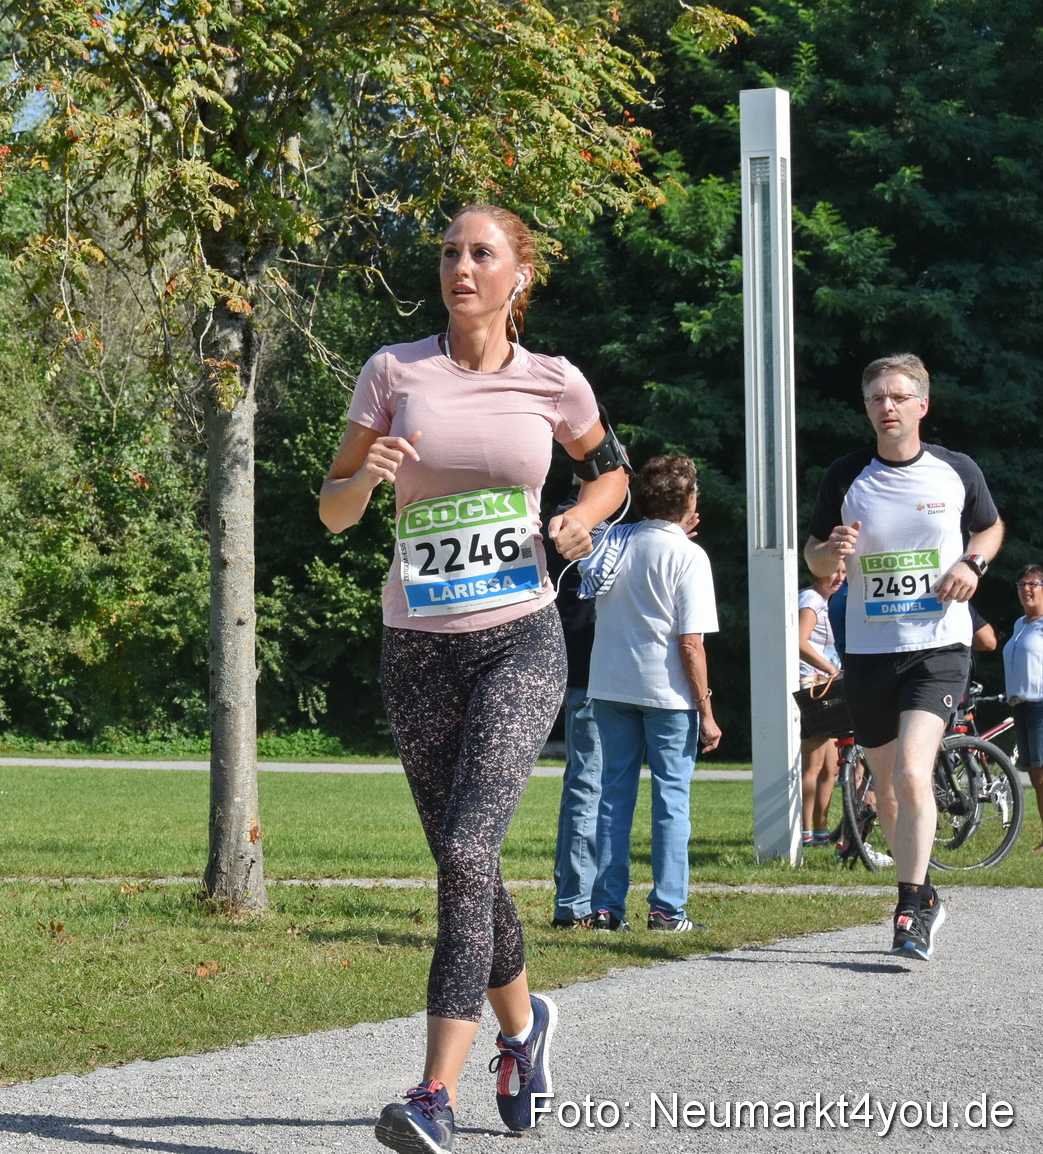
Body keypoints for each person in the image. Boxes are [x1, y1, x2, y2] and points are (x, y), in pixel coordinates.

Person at [319, 204, 629, 1146]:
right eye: (450, 251)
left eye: (481, 253)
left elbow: (611, 471)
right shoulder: (392, 371)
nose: (461, 266)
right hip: (415, 644)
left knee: (464, 854)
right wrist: (366, 474)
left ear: (518, 276)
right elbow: (332, 511)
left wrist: (584, 518)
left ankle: (430, 1094)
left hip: (520, 638)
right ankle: (524, 1032)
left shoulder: (554, 381)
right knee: (468, 861)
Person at [805, 353, 1003, 962]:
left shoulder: (955, 470)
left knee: (914, 772)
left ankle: (910, 905)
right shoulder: (846, 474)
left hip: (938, 646)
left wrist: (973, 564)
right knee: (886, 786)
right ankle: (926, 894)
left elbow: (990, 528)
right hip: (870, 651)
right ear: (866, 407)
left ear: (921, 405)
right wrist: (828, 552)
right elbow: (813, 557)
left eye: (897, 397)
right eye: (875, 399)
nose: (886, 408)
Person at [579, 455, 720, 933]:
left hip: (610, 685)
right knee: (671, 801)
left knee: (613, 797)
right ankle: (666, 909)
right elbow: (691, 643)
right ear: (690, 502)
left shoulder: (613, 542)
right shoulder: (689, 557)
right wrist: (708, 708)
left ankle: (605, 908)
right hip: (668, 694)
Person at [544, 486, 604, 930]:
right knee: (587, 783)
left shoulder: (606, 518)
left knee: (589, 783)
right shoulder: (569, 516)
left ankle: (579, 895)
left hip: (602, 667)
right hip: (588, 668)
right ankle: (575, 903)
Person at [797, 565, 845, 848]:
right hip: (812, 686)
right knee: (813, 765)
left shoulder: (829, 601)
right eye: (834, 571)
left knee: (832, 767)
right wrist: (831, 670)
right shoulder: (811, 600)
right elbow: (798, 642)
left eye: (843, 571)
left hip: (827, 685)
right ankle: (805, 831)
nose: (839, 577)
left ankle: (821, 832)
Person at [1003, 564, 1043, 849]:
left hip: (1041, 705)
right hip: (1020, 706)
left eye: (1033, 584)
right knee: (1035, 775)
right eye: (1021, 584)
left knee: (1042, 774)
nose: (1026, 589)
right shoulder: (1020, 624)